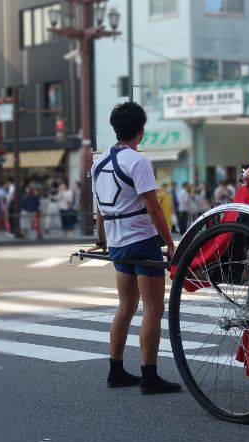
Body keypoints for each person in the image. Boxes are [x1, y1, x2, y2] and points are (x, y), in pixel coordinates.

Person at [89, 101, 180, 394]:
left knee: (126, 307)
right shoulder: (137, 161)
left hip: (117, 243)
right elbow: (154, 208)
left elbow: (100, 210)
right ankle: (149, 376)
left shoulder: (99, 162)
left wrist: (102, 240)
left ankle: (115, 371)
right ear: (141, 131)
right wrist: (170, 244)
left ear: (116, 129)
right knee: (154, 308)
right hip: (141, 242)